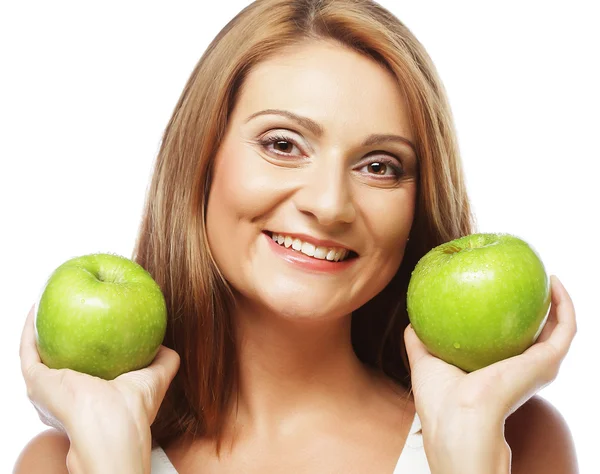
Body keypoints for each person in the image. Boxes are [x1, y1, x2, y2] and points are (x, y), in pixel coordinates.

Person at [15, 1, 578, 473]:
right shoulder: (68, 460)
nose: (330, 204)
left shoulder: (515, 442)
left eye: (380, 166)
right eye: (283, 145)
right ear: (203, 160)